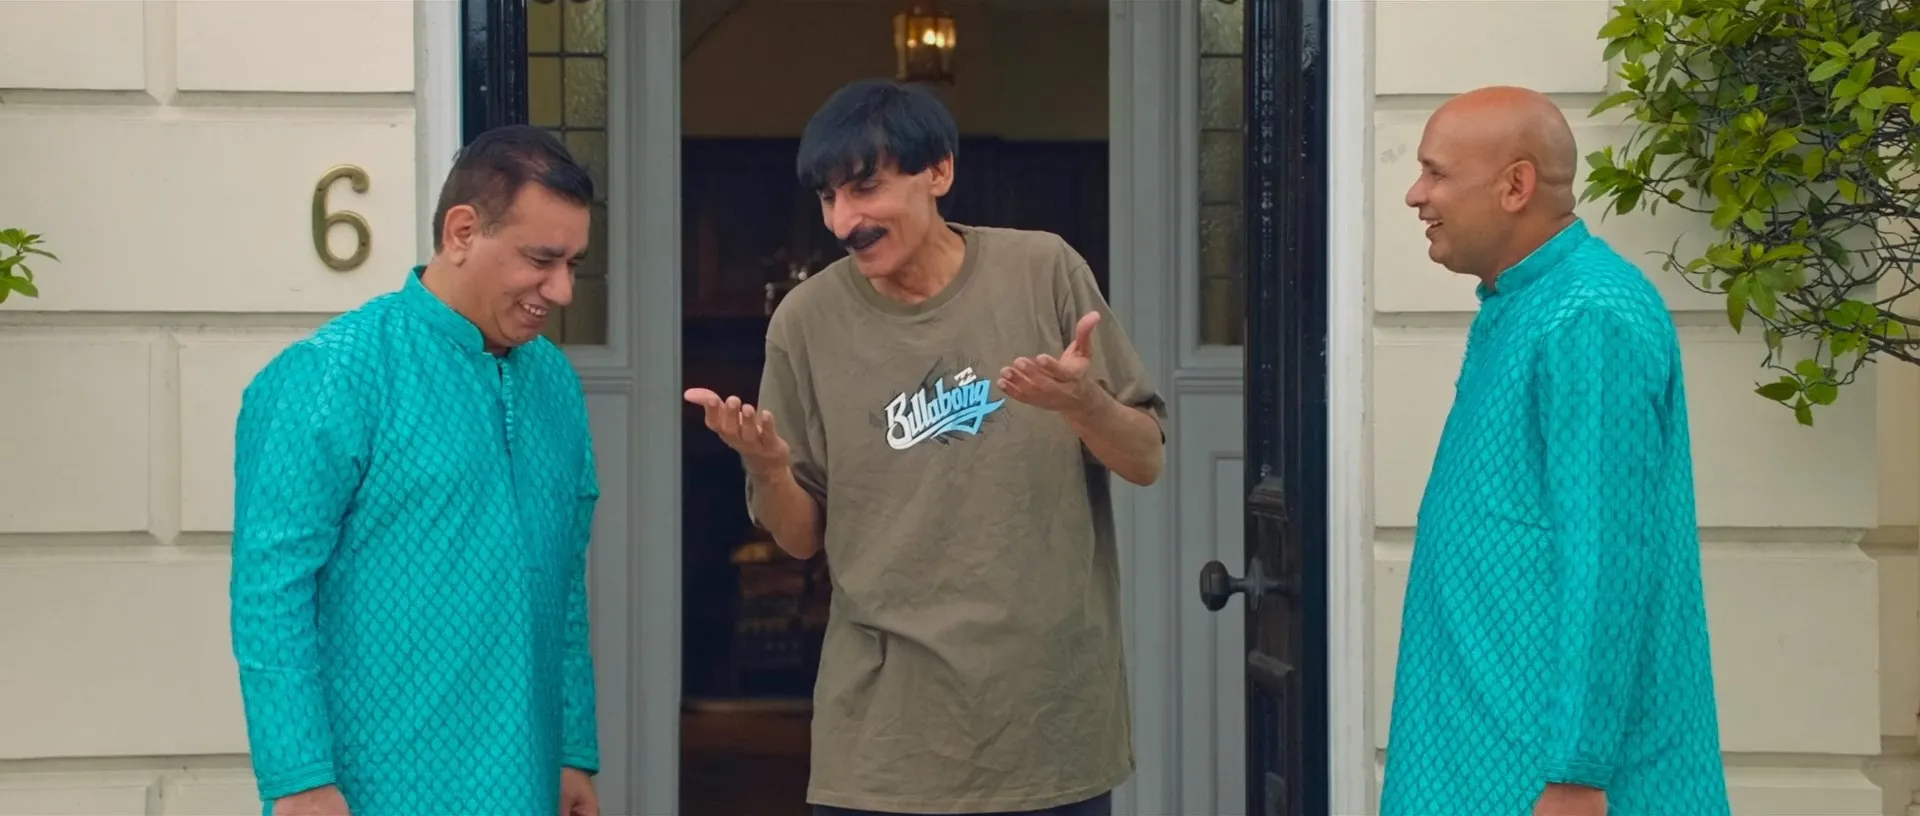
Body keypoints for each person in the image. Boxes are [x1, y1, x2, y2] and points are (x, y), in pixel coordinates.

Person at [684, 78, 1167, 816]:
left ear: (939, 171)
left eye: (865, 188)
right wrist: (770, 468)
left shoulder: (1042, 271)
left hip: (1047, 726)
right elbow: (800, 537)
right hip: (884, 742)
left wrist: (1083, 402)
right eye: (828, 198)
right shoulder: (806, 323)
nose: (844, 220)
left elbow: (1145, 460)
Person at [229, 125, 603, 816]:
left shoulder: (554, 384)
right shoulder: (332, 374)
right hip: (374, 790)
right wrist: (299, 779)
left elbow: (564, 582)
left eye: (573, 264)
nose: (562, 290)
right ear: (462, 231)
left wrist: (572, 750)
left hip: (529, 785)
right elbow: (270, 590)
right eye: (541, 259)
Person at [1380, 85, 1730, 816]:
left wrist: (1578, 771)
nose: (1416, 194)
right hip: (1483, 763)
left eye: (1435, 172)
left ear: (1516, 185)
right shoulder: (1525, 304)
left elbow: (1609, 554)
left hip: (1550, 785)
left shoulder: (1588, 316)